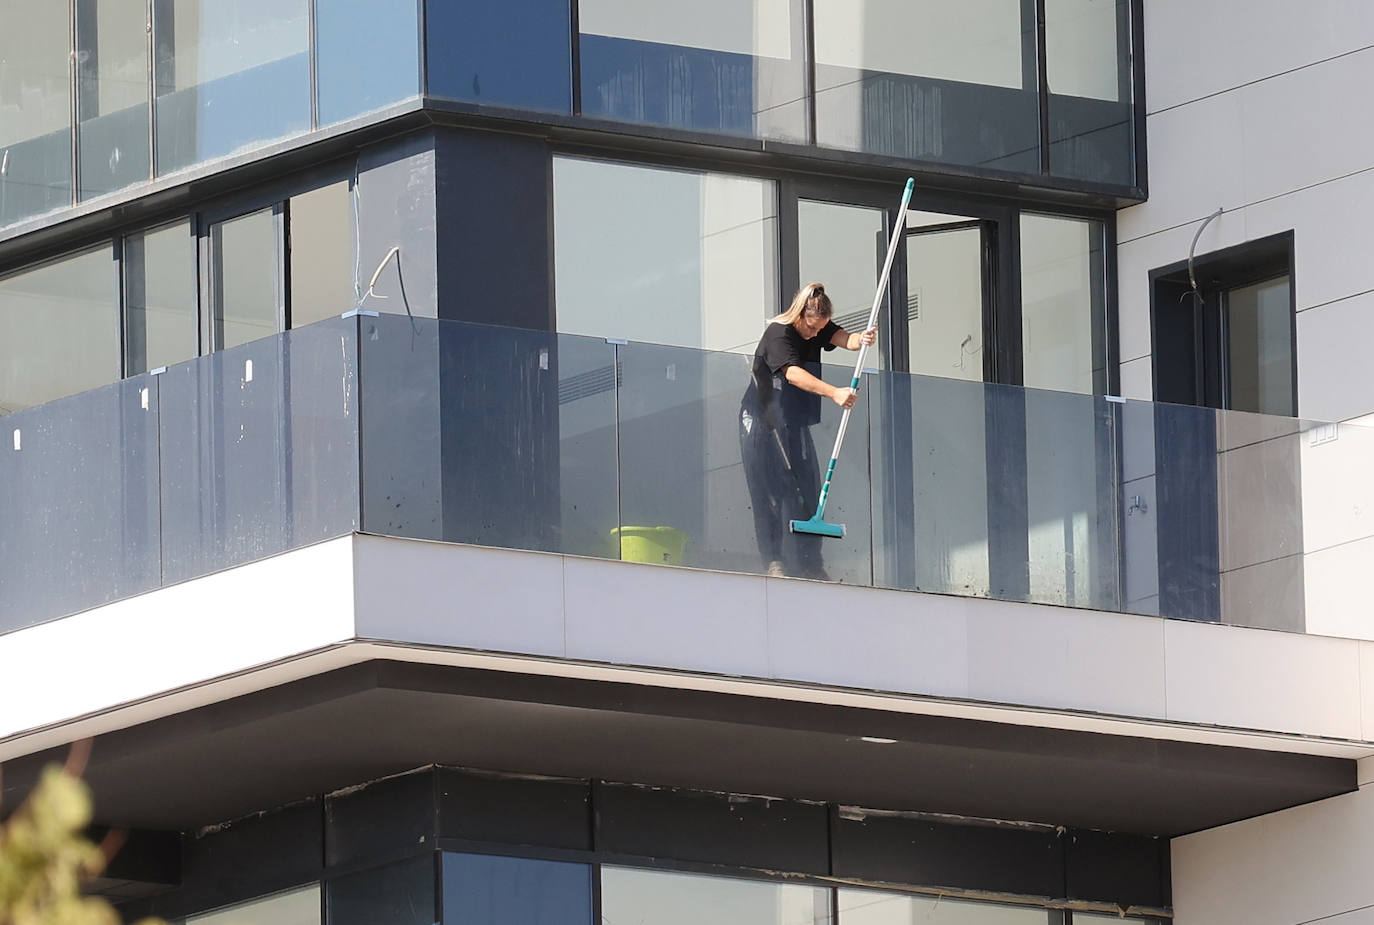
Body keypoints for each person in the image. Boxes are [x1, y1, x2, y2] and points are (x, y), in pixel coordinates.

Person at [739, 282, 877, 579]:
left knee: (808, 486)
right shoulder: (779, 333)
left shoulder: (818, 324)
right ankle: (774, 560)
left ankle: (810, 562)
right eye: (812, 328)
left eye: (821, 329)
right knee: (768, 488)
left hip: (793, 419)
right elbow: (792, 373)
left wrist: (860, 339)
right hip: (763, 418)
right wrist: (833, 393)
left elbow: (844, 339)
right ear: (801, 315)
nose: (816, 335)